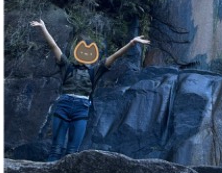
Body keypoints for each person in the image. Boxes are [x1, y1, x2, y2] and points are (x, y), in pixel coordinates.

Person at [30, 19, 150, 161]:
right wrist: (43, 27)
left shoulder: (95, 71)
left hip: (81, 108)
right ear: (76, 53)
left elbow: (116, 56)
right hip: (64, 105)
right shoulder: (67, 67)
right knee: (56, 149)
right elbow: (54, 46)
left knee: (73, 152)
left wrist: (132, 43)